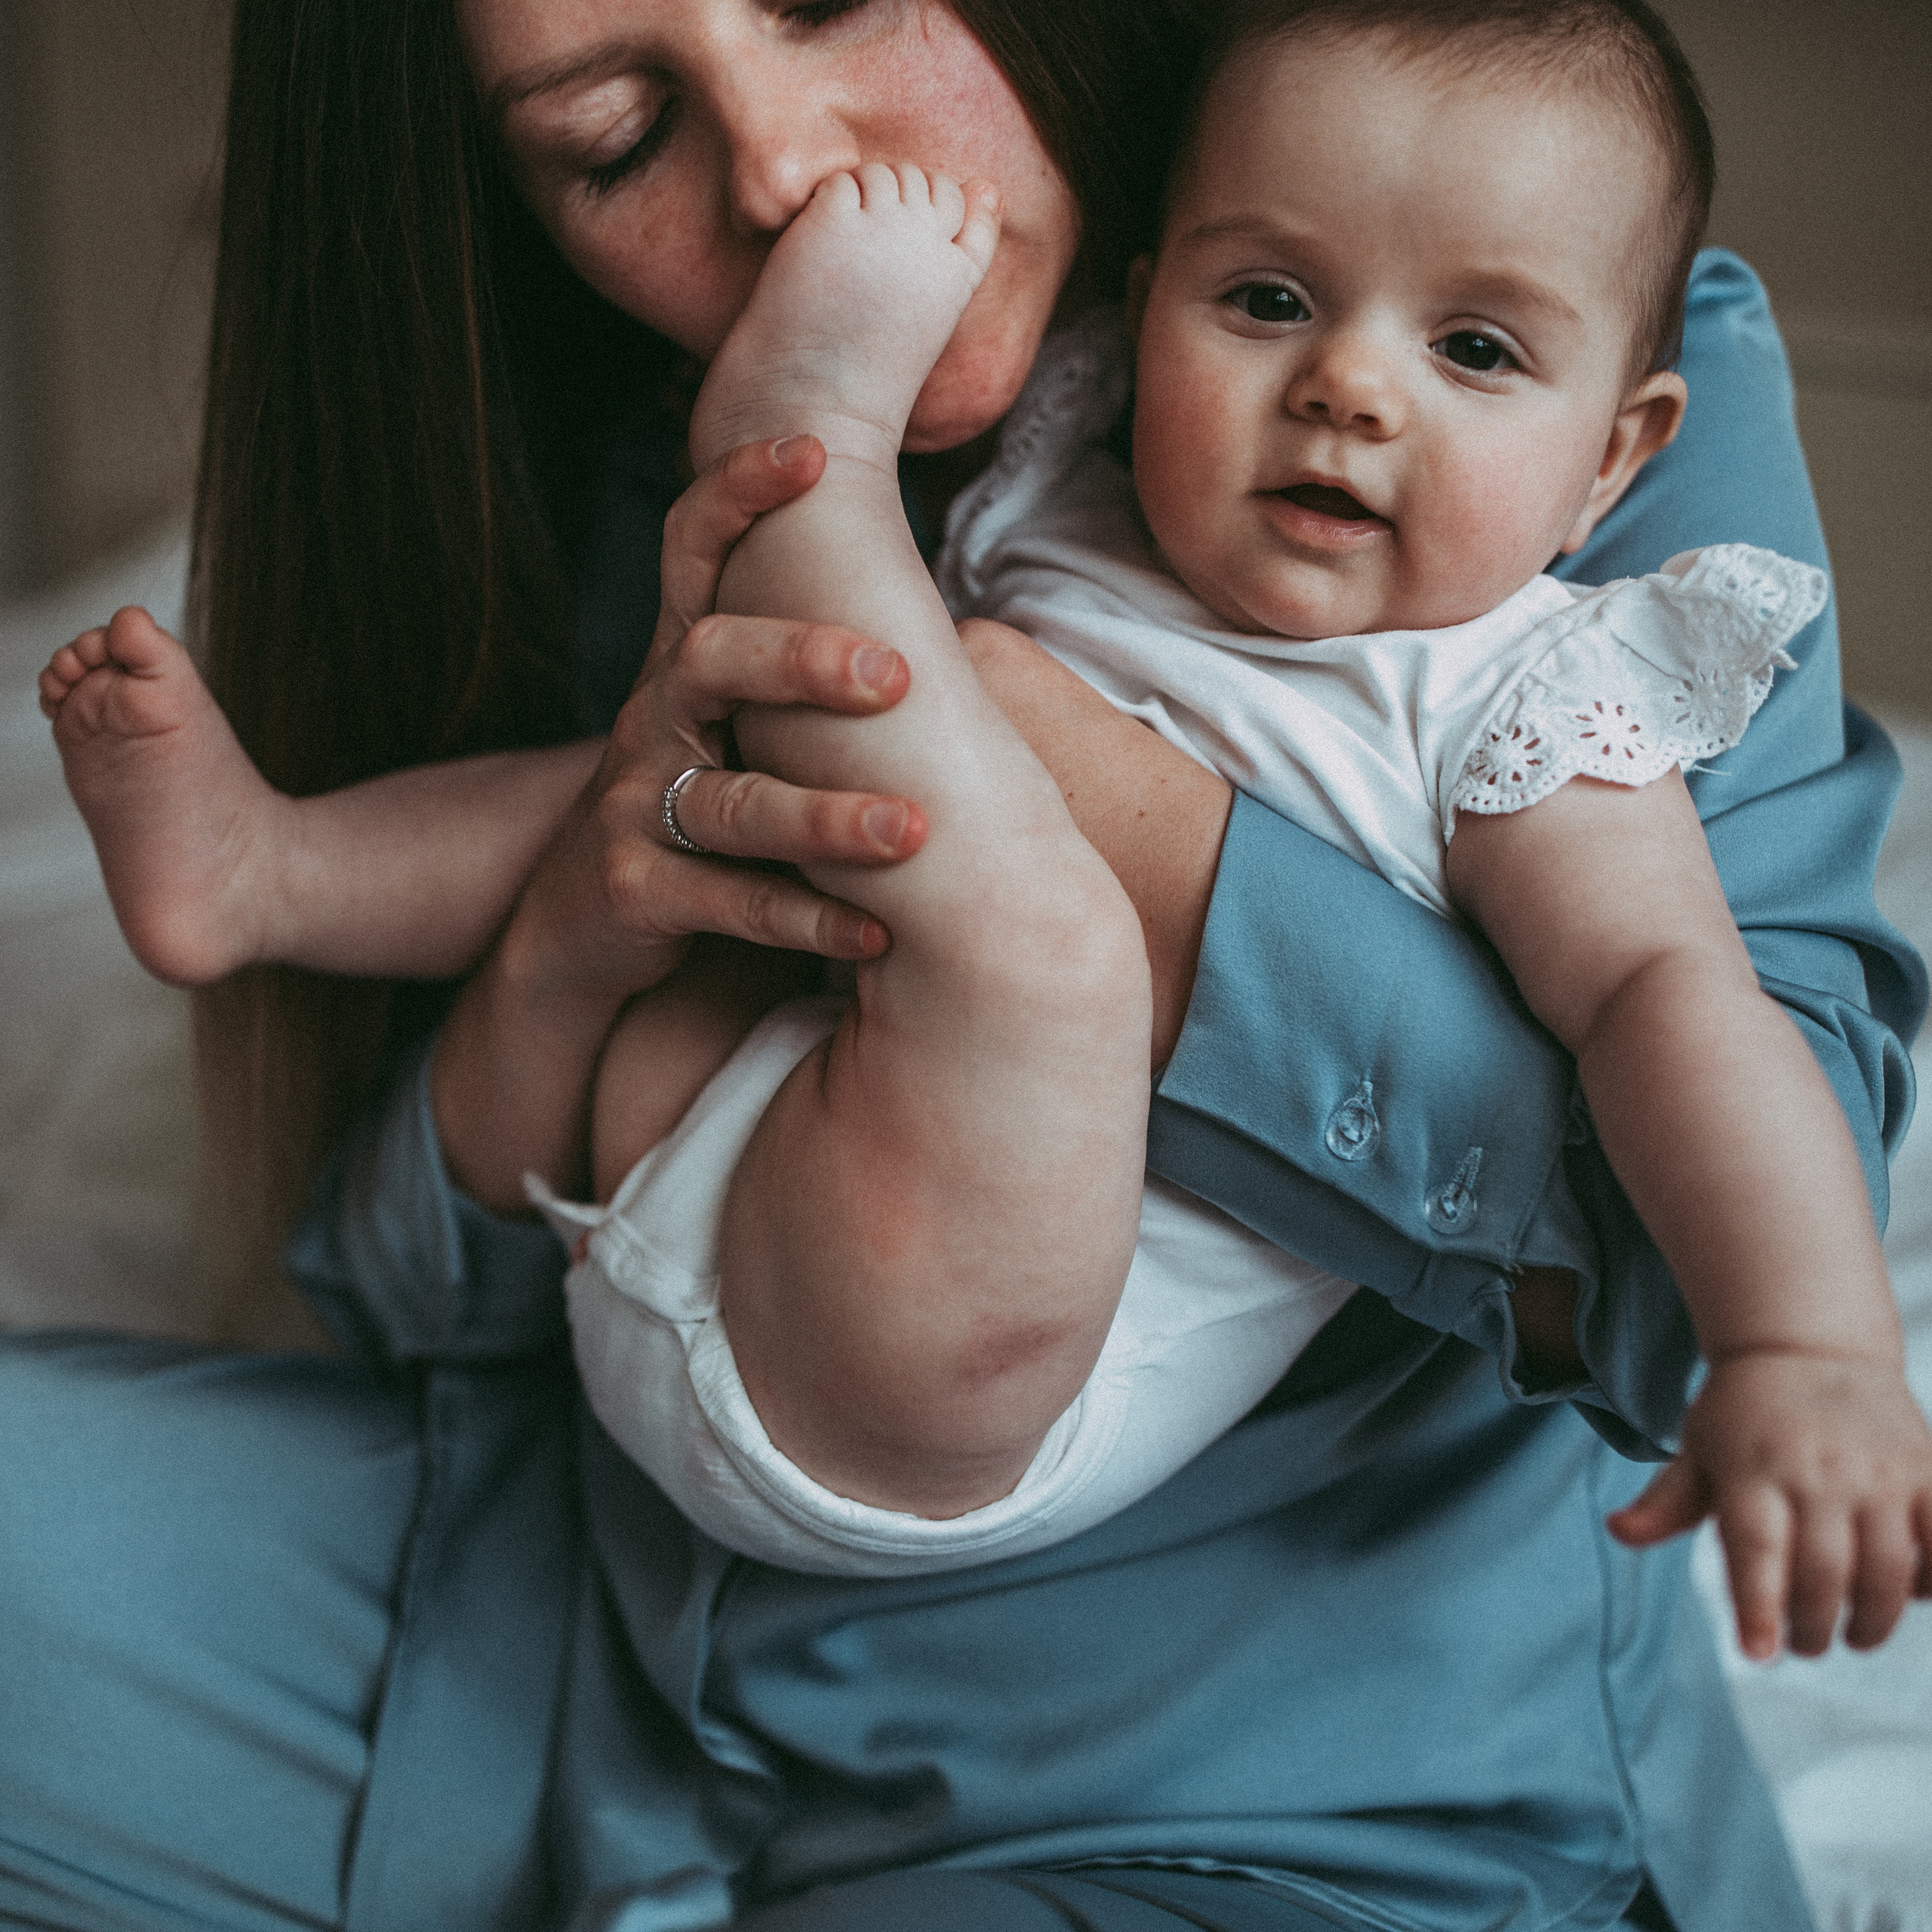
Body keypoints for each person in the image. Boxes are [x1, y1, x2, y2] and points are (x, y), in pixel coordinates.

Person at [2, 0, 1922, 1927]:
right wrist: (571, 945)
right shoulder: (964, 453)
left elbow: (1700, 1211)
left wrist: (1104, 812)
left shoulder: (1559, 466)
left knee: (1021, 928)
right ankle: (274, 867)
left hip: (1231, 1784)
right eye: (612, 136)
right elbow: (402, 1288)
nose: (774, 175)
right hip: (577, 1594)